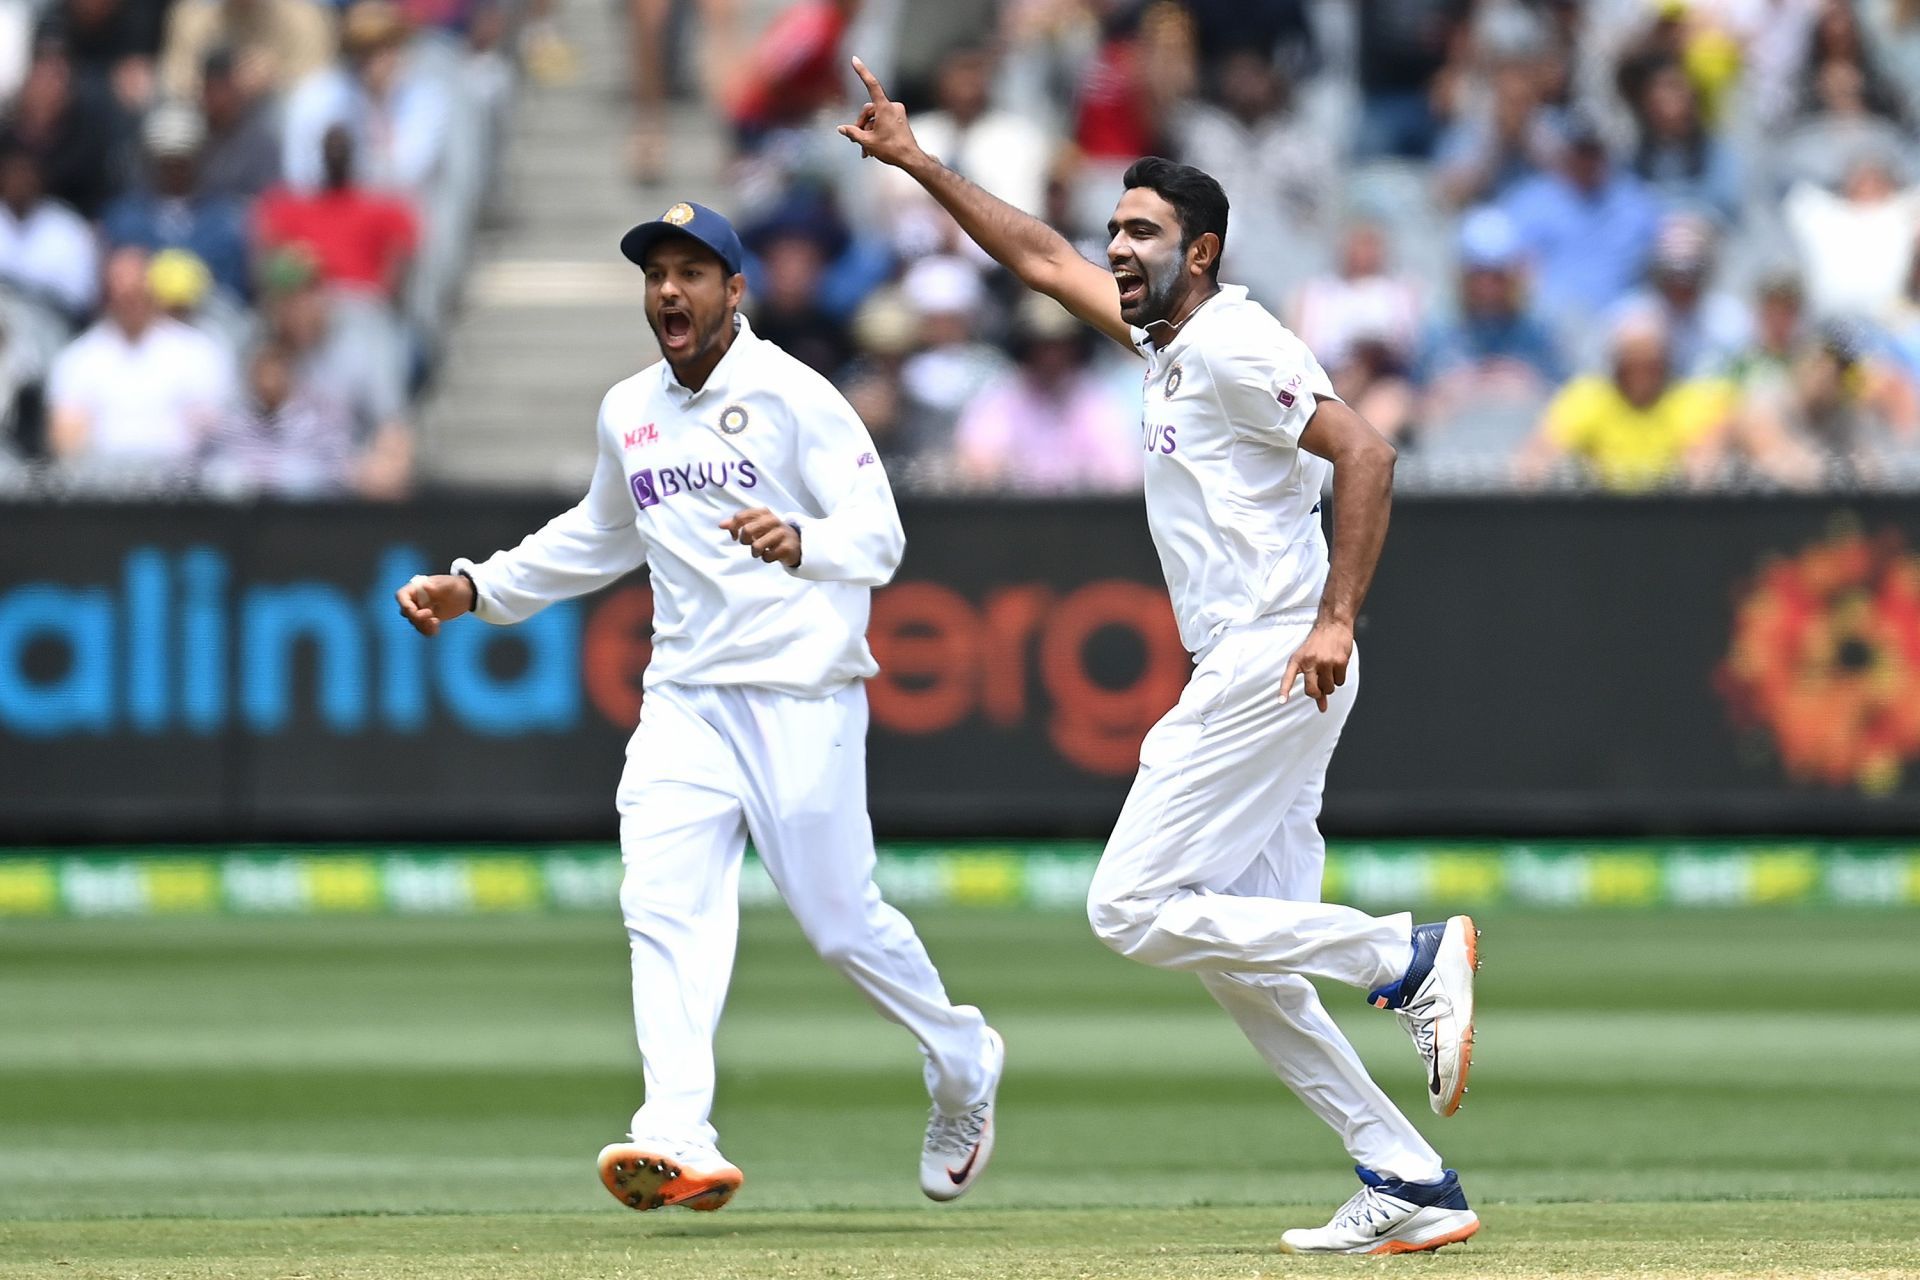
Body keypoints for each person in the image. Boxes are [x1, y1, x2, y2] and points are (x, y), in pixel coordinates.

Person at [840, 58, 1481, 1256]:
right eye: (1116, 227)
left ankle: (1403, 952)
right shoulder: (1166, 346)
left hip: (1271, 655)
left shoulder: (1236, 340)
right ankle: (1407, 1172)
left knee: (1131, 905)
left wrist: (1337, 615)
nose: (1118, 246)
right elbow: (1033, 257)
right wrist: (921, 162)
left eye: (1143, 231)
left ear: (1206, 250)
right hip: (1268, 661)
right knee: (1245, 956)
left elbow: (1371, 455)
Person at [392, 201, 1004, 1214]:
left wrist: (805, 540)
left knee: (841, 923)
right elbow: (596, 533)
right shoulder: (629, 408)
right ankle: (676, 1128)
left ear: (735, 290)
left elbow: (881, 534)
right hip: (684, 698)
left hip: (802, 692)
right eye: (655, 274)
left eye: (691, 272)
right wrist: (477, 587)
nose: (669, 291)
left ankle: (962, 1054)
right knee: (661, 903)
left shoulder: (793, 395)